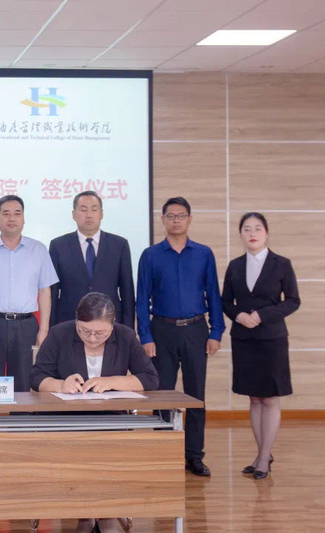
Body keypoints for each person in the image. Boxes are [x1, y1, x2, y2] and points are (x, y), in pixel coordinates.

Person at [31, 292, 158, 533]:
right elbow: (36, 376)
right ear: (76, 321)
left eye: (100, 333)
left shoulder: (125, 336)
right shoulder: (59, 334)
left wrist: (112, 381)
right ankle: (85, 514)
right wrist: (60, 385)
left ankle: (107, 512)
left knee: (109, 450)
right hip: (66, 421)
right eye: (84, 331)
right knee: (78, 452)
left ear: (112, 324)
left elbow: (150, 378)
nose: (91, 338)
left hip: (111, 421)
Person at [136, 197, 224, 477]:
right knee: (162, 394)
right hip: (162, 331)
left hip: (196, 330)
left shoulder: (204, 254)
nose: (176, 220)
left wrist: (216, 331)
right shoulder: (150, 255)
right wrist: (145, 336)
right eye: (171, 216)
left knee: (196, 395)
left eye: (181, 215)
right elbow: (141, 299)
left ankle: (194, 455)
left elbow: (214, 294)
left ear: (189, 219)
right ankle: (163, 452)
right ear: (162, 220)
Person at [222, 212, 300, 480]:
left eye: (257, 228)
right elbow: (225, 302)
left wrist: (262, 315)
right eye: (246, 229)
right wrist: (238, 315)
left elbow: (293, 301)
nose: (252, 233)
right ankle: (261, 454)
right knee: (254, 398)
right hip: (244, 340)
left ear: (266, 233)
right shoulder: (235, 266)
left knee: (270, 398)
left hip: (272, 339)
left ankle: (264, 458)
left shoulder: (282, 264)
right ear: (241, 235)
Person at [0, 195, 58, 392]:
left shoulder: (38, 250)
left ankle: (23, 414)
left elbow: (45, 292)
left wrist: (43, 330)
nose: (12, 218)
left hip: (26, 326)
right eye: (6, 213)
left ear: (24, 218)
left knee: (24, 385)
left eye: (17, 213)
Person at [49, 190, 135, 328]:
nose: (89, 215)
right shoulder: (58, 245)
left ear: (101, 214)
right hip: (69, 322)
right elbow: (53, 293)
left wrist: (128, 329)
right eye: (83, 210)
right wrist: (51, 328)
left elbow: (127, 291)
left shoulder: (119, 245)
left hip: (109, 322)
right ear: (74, 214)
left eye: (94, 210)